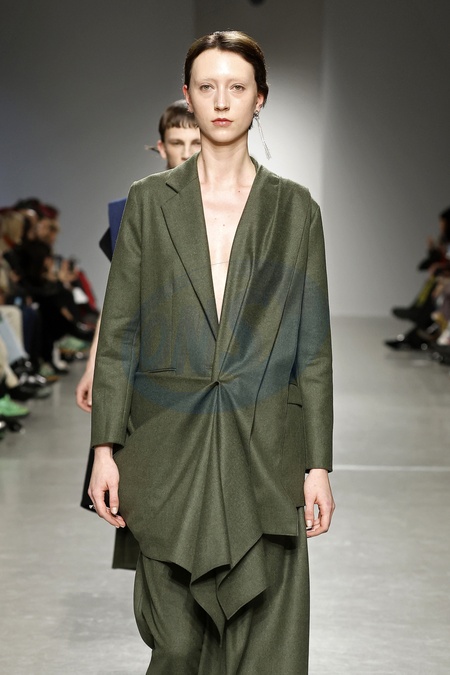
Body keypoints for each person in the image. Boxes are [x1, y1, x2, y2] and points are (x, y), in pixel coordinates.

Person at [89, 31, 334, 674]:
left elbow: (312, 348)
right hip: (167, 445)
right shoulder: (148, 202)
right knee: (175, 645)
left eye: (237, 87)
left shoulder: (295, 209)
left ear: (260, 99)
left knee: (265, 646)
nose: (222, 101)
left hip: (265, 446)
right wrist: (104, 449)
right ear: (188, 96)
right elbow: (119, 335)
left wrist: (317, 465)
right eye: (207, 87)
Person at [77, 100, 201, 569]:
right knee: (141, 485)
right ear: (160, 148)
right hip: (145, 365)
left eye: (195, 141)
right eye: (177, 143)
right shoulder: (131, 209)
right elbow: (118, 303)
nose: (187, 152)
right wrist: (94, 365)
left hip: (202, 362)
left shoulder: (230, 205)